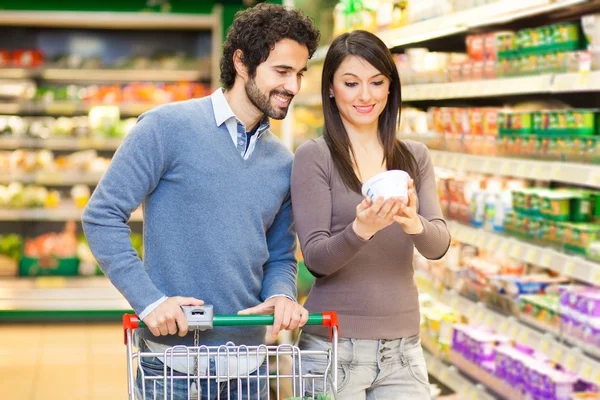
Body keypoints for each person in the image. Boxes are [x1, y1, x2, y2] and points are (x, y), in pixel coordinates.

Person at [82, 4, 320, 399]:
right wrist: (149, 300)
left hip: (250, 366)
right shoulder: (165, 128)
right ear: (242, 63)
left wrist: (281, 294)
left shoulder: (283, 163)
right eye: (282, 71)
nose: (293, 86)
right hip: (170, 366)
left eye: (299, 74)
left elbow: (279, 255)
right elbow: (102, 216)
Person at [291, 30, 451, 399]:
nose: (366, 96)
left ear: (390, 87)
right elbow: (315, 259)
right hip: (332, 348)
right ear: (331, 88)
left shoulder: (413, 156)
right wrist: (360, 229)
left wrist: (413, 222)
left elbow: (438, 245)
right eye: (351, 83)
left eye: (377, 82)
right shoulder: (315, 157)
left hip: (404, 350)